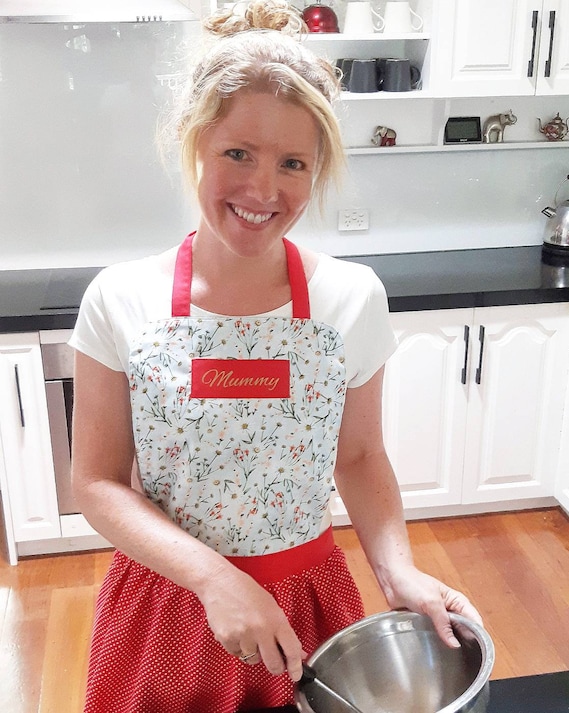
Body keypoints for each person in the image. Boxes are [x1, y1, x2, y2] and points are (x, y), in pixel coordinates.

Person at [70, 2, 482, 711]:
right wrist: (214, 577)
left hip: (308, 607)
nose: (264, 190)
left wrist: (399, 569)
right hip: (170, 605)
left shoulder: (350, 300)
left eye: (293, 163)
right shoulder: (119, 300)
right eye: (238, 153)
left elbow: (358, 457)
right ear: (194, 141)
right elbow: (97, 483)